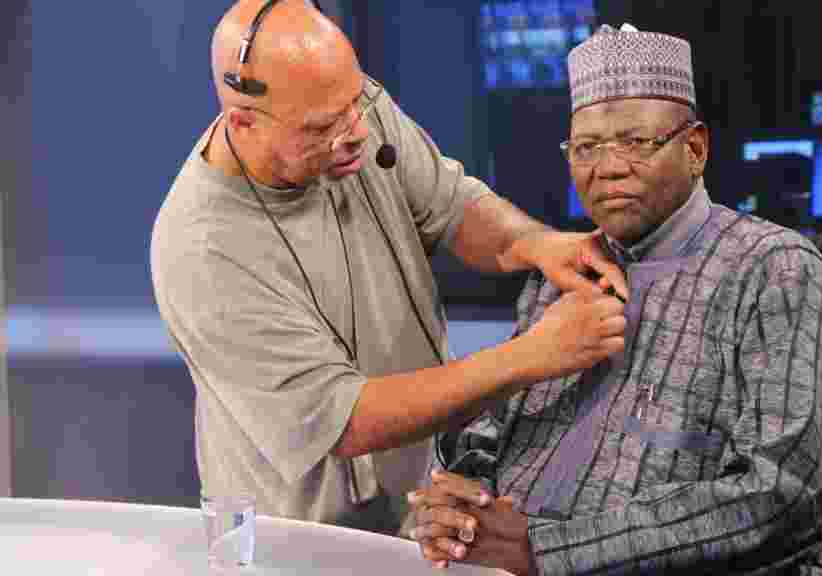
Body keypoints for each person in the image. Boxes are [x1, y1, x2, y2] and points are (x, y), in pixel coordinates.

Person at [409, 23, 822, 575]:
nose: (606, 167)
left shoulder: (778, 275)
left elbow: (781, 496)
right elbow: (492, 438)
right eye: (585, 147)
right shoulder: (562, 276)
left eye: (635, 142)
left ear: (695, 148)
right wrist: (463, 506)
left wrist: (546, 550)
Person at [150, 0, 629, 534]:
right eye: (323, 126)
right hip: (300, 542)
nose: (357, 130)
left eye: (357, 102)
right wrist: (531, 357)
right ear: (243, 122)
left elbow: (451, 205)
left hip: (419, 507)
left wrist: (537, 243)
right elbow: (346, 420)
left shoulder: (344, 107)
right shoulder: (204, 249)